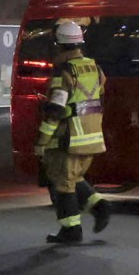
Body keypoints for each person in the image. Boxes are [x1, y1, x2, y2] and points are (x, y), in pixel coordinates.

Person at [34, 21, 112, 244]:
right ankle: (99, 207)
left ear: (58, 45)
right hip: (92, 135)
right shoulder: (95, 68)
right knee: (73, 178)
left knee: (62, 185)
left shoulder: (63, 72)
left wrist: (42, 140)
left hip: (68, 138)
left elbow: (56, 111)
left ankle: (71, 230)